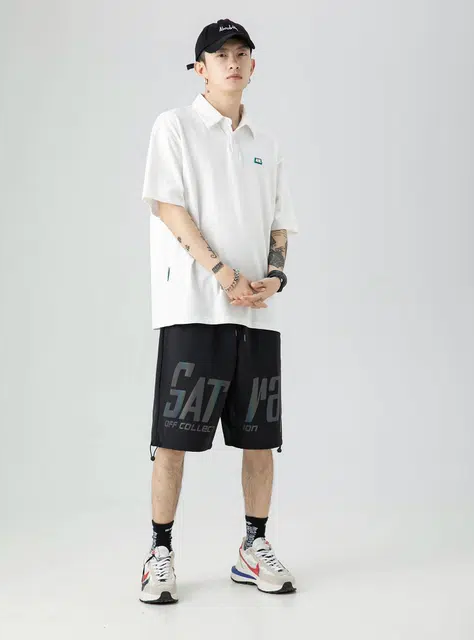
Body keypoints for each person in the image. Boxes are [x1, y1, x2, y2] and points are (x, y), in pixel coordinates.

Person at [139, 18, 299, 604]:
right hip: (193, 307)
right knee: (173, 439)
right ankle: (159, 554)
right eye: (219, 54)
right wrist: (222, 273)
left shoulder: (267, 144)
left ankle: (253, 548)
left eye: (241, 53)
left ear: (252, 66)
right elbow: (168, 207)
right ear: (200, 68)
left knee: (260, 439)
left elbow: (281, 222)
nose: (232, 62)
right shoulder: (175, 127)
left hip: (255, 315)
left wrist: (274, 276)